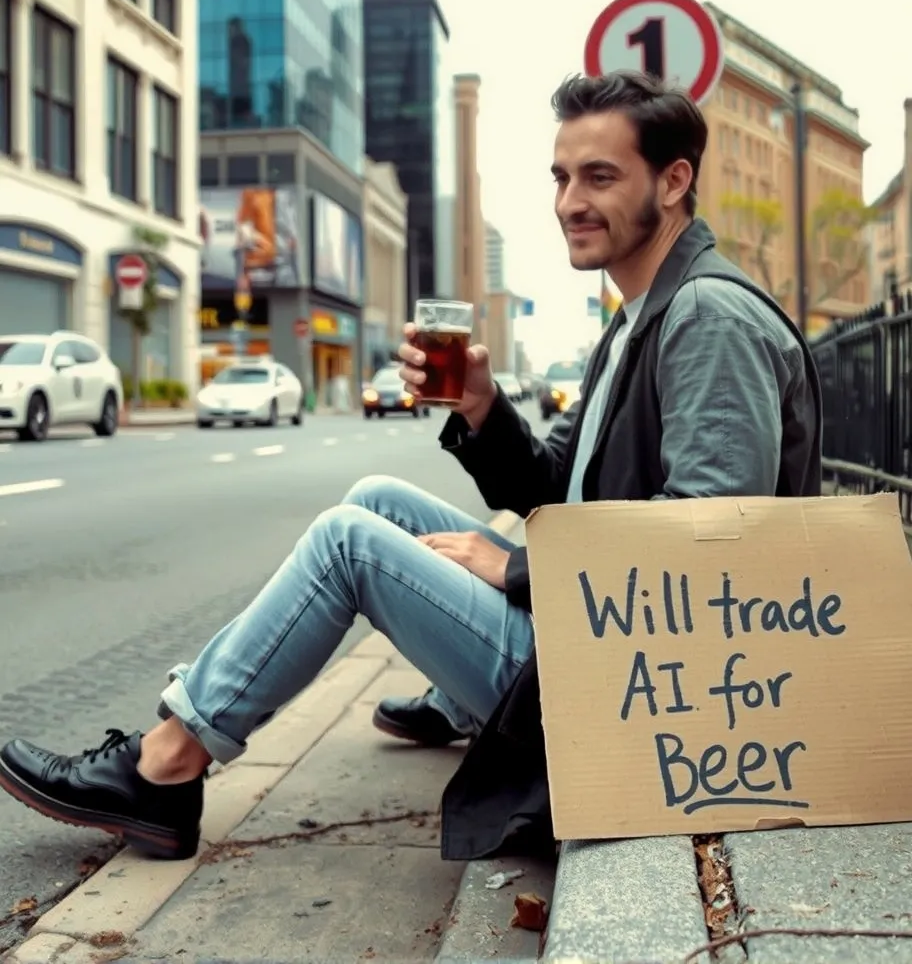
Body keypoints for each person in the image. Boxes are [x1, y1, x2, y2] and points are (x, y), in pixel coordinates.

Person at [0, 71, 821, 864]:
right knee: (377, 499)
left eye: (600, 177)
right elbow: (554, 486)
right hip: (596, 634)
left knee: (347, 543)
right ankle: (420, 698)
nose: (570, 202)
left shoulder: (706, 317)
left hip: (633, 683)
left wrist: (517, 569)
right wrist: (481, 407)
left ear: (674, 182)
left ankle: (165, 764)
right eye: (562, 176)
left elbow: (715, 548)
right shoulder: (641, 312)